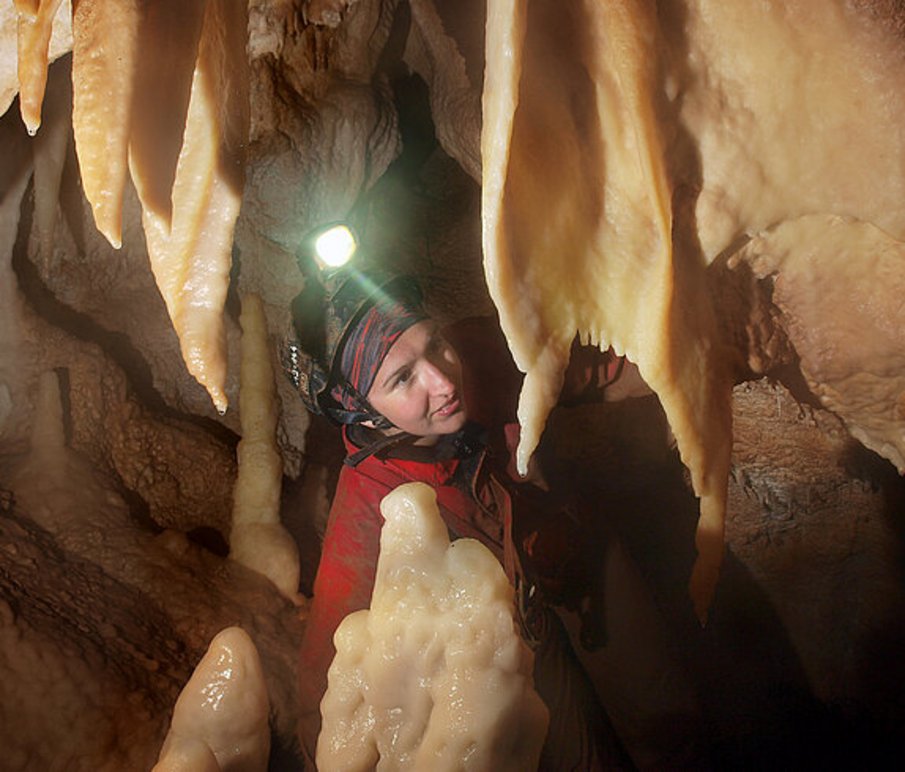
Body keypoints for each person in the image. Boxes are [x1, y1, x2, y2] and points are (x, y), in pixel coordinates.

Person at [284, 267, 703, 770]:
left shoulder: (480, 353)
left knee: (666, 715)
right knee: (579, 758)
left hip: (573, 546)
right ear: (359, 411)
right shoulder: (371, 510)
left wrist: (699, 356)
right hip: (502, 635)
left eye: (434, 344)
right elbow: (329, 691)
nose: (442, 380)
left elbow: (599, 365)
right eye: (403, 378)